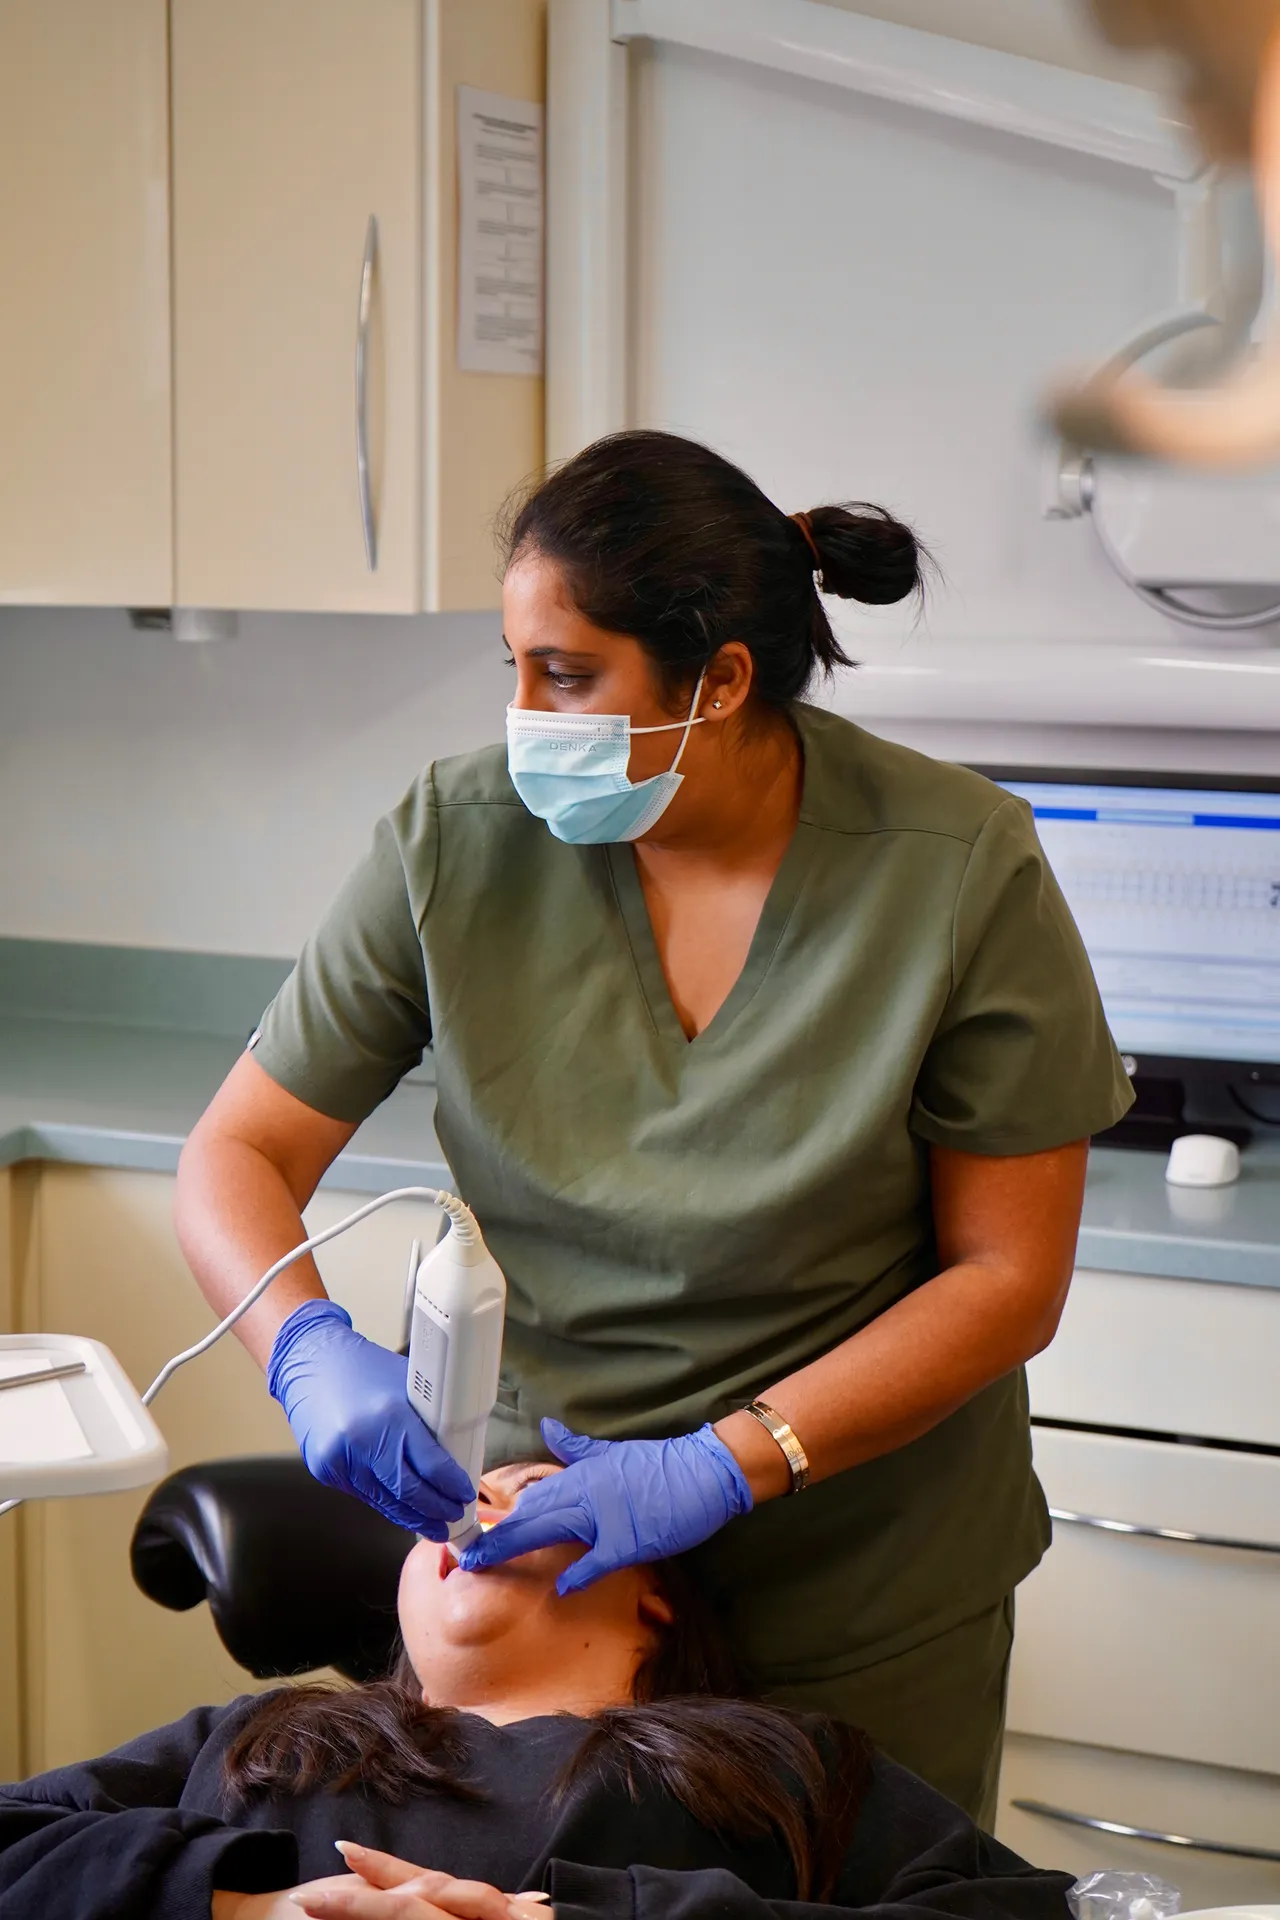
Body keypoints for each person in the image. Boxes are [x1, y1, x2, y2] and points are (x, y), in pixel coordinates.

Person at [174, 430, 1133, 1826]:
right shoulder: (458, 839)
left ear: (721, 679)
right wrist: (304, 1346)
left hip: (861, 1572)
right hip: (549, 1574)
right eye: (511, 668)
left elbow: (1006, 1279)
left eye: (565, 675)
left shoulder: (956, 869)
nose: (522, 717)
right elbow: (239, 1153)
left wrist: (730, 1461)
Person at [0, 1463, 1077, 1920]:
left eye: (523, 1492)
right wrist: (239, 1901)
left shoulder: (775, 1766)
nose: (470, 1512)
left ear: (653, 1593)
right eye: (446, 1510)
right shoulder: (263, 1738)